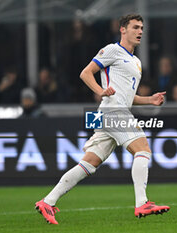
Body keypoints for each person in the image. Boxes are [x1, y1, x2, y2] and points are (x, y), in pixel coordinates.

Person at [35, 14, 170, 225]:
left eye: (142, 28)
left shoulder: (136, 62)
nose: (140, 31)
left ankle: (48, 201)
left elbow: (127, 96)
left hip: (109, 112)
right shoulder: (112, 50)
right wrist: (100, 91)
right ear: (122, 29)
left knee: (89, 163)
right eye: (135, 27)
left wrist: (149, 100)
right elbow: (86, 73)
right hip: (112, 112)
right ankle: (142, 202)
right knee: (142, 149)